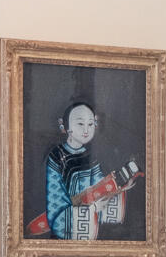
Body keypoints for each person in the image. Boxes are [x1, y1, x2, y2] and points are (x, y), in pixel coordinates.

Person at [37, 100, 139, 241]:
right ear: (65, 126)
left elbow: (99, 188)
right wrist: (92, 209)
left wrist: (118, 188)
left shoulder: (90, 156)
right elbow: (56, 206)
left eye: (90, 124)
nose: (86, 130)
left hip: (91, 226)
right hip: (66, 232)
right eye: (80, 124)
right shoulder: (56, 156)